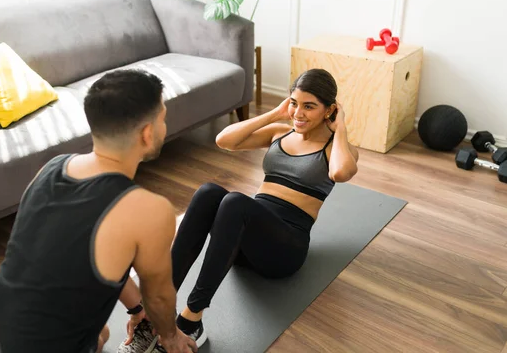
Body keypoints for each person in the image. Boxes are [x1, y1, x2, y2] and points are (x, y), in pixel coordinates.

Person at [119, 68, 359, 351]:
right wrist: (274, 114)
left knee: (235, 202)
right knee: (209, 192)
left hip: (284, 251)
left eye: (309, 107)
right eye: (294, 103)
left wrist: (340, 126)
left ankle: (190, 320)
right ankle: (158, 308)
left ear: (329, 110)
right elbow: (224, 140)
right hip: (243, 237)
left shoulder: (336, 148)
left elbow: (342, 173)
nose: (299, 113)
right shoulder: (280, 133)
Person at [0, 69, 197, 353]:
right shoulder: (149, 210)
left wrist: (136, 308)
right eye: (162, 117)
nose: (164, 125)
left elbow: (80, 256)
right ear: (147, 133)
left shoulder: (52, 167)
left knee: (101, 334)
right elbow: (158, 299)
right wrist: (171, 338)